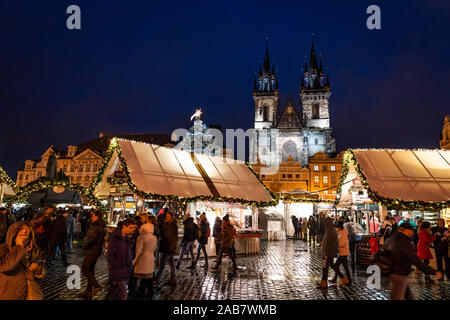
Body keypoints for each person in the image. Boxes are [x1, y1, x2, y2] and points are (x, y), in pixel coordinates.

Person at [387, 222, 442, 300]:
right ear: (406, 230)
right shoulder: (404, 242)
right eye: (411, 231)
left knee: (409, 296)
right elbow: (416, 260)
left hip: (396, 273)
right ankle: (428, 277)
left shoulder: (393, 237)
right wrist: (434, 272)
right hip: (399, 274)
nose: (412, 233)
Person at [0, 222, 45, 300]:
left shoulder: (34, 249)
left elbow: (41, 264)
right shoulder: (3, 248)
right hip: (10, 293)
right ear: (14, 232)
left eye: (27, 230)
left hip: (29, 292)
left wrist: (39, 271)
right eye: (21, 229)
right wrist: (19, 246)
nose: (24, 231)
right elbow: (4, 266)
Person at [106, 218, 137, 300]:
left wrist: (129, 266)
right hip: (118, 272)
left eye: (134, 228)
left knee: (113, 295)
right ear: (124, 227)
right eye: (130, 228)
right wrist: (120, 265)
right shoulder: (115, 239)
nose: (132, 230)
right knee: (123, 296)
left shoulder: (127, 238)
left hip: (124, 272)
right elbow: (110, 256)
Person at [78, 210, 106, 299]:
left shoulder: (95, 226)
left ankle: (96, 285)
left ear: (96, 216)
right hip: (96, 251)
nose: (91, 217)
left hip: (92, 251)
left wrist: (85, 246)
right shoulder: (102, 226)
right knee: (90, 270)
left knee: (85, 269)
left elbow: (92, 239)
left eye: (93, 216)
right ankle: (88, 290)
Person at [132, 219, 157, 300]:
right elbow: (154, 248)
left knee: (136, 277)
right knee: (148, 276)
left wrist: (134, 261)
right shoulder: (154, 237)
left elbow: (138, 250)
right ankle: (149, 292)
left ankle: (136, 292)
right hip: (150, 258)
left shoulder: (141, 237)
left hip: (142, 259)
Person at [154, 211, 178, 286]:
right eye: (166, 216)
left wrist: (171, 248)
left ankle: (156, 279)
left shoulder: (172, 225)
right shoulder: (167, 224)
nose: (167, 217)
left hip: (168, 247)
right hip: (166, 246)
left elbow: (172, 238)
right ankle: (173, 278)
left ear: (171, 217)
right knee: (171, 263)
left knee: (162, 264)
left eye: (168, 216)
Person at [317, 217, 339, 288]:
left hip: (328, 253)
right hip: (329, 252)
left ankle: (324, 281)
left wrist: (326, 254)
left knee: (325, 267)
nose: (324, 224)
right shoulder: (330, 230)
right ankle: (324, 281)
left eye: (325, 222)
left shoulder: (330, 230)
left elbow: (328, 243)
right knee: (329, 266)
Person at [330, 221, 351, 286]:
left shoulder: (343, 234)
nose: (336, 229)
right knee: (345, 267)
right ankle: (347, 280)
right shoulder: (340, 233)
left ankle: (345, 279)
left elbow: (342, 244)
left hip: (343, 253)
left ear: (339, 228)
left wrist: (336, 243)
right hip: (342, 252)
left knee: (336, 266)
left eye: (337, 227)